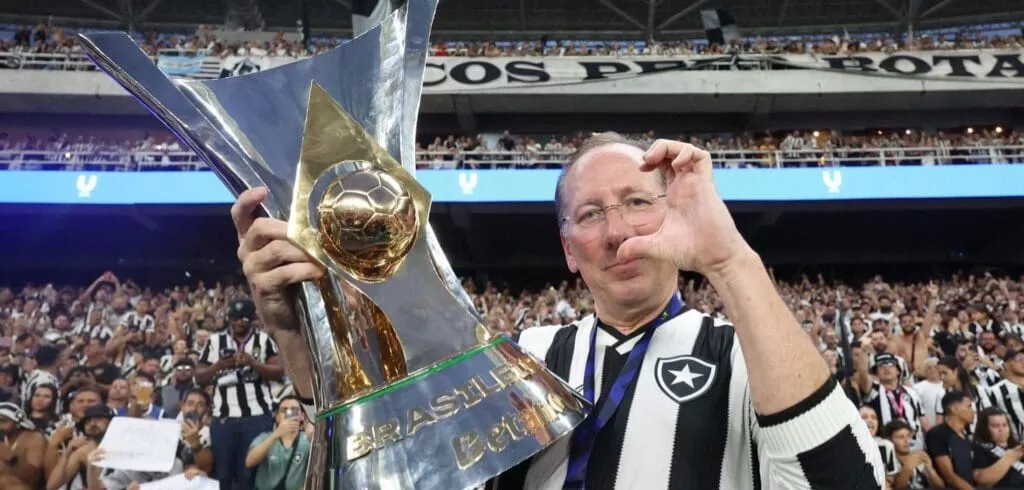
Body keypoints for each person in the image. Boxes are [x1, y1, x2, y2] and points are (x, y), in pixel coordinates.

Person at [230, 134, 885, 488]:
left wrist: (728, 258)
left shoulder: (747, 353)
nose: (617, 233)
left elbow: (844, 482)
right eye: (591, 215)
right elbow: (378, 461)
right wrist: (297, 328)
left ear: (678, 214)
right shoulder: (521, 354)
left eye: (637, 203)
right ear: (570, 250)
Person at [195, 299, 283, 490]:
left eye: (244, 318)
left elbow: (279, 371)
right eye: (235, 318)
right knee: (223, 474)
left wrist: (254, 364)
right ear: (229, 319)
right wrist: (217, 366)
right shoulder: (214, 341)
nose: (239, 322)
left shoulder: (263, 340)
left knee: (250, 474)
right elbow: (199, 377)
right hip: (224, 418)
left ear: (252, 319)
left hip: (256, 415)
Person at [244, 396, 311, 490]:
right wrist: (276, 434)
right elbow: (249, 462)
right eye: (284, 410)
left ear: (302, 416)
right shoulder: (264, 437)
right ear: (277, 417)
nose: (289, 414)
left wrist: (312, 437)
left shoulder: (307, 440)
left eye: (294, 410)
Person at [924, 391, 976, 490]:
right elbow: (950, 477)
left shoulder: (967, 436)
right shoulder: (937, 434)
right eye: (968, 407)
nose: (973, 411)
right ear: (954, 409)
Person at [972, 406, 1024, 487]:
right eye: (995, 426)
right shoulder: (979, 449)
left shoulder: (1017, 446)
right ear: (985, 428)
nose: (1001, 429)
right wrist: (1009, 458)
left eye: (1004, 425)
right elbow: (982, 480)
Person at [884, 420, 943, 489]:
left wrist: (930, 468)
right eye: (900, 437)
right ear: (889, 440)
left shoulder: (918, 456)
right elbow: (898, 488)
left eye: (908, 436)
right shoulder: (889, 462)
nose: (907, 440)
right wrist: (908, 467)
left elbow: (940, 486)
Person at [0, 402, 46, 487]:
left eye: (2, 421)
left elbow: (32, 477)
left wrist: (9, 458)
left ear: (17, 422)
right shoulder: (2, 438)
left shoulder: (34, 438)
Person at [859, 405, 899, 489]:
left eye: (874, 417)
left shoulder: (887, 445)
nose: (870, 420)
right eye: (864, 417)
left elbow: (891, 477)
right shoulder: (848, 446)